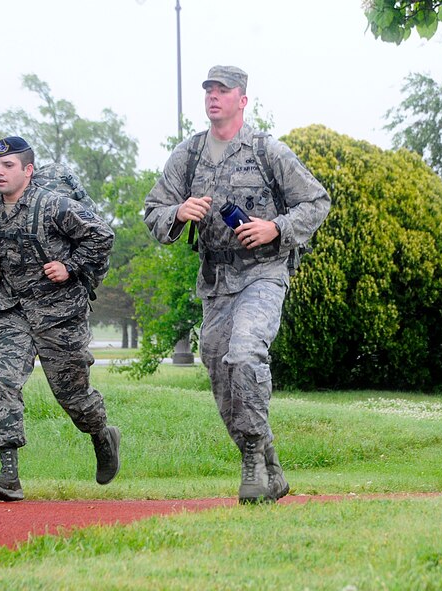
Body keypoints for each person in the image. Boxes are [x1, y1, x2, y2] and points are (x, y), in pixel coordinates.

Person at [144, 66, 330, 503]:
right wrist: (177, 214)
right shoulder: (188, 155)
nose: (213, 96)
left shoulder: (269, 150)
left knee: (246, 353)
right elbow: (153, 210)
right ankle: (271, 466)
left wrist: (275, 228)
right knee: (221, 373)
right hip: (214, 282)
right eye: (208, 89)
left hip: (263, 272)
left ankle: (250, 462)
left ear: (241, 99)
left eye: (222, 90)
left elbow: (316, 200)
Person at [0, 136, 121, 502]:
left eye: (8, 166)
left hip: (60, 314)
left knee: (72, 395)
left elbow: (102, 236)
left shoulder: (53, 206)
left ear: (28, 170)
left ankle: (102, 434)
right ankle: (9, 475)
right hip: (14, 310)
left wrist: (69, 267)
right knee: (5, 380)